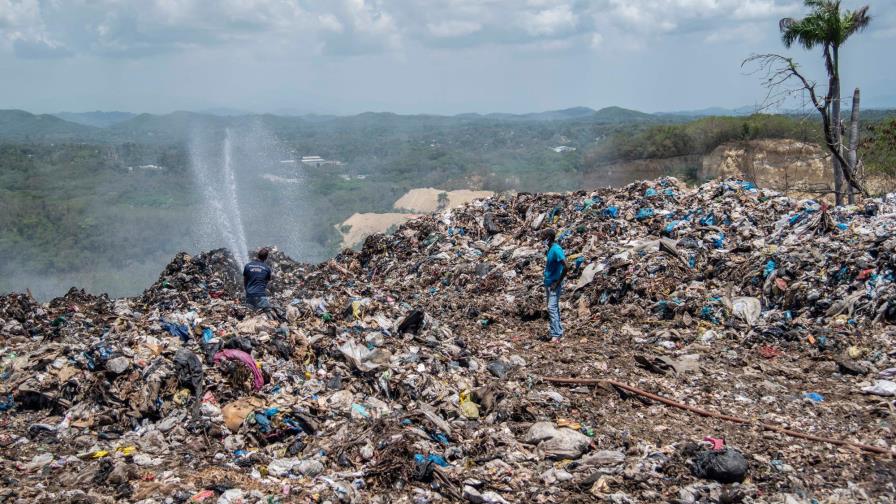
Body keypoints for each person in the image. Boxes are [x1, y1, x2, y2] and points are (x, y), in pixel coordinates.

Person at [541, 228, 567, 341]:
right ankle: (556, 332)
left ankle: (556, 335)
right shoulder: (550, 249)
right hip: (548, 283)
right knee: (553, 308)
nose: (541, 238)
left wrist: (557, 282)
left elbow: (566, 266)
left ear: (548, 238)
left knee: (551, 308)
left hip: (554, 283)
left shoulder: (556, 249)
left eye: (543, 236)